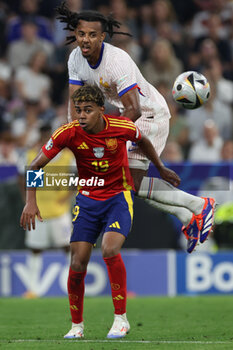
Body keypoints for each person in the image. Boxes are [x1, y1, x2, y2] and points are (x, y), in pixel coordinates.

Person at [20, 85, 180, 338]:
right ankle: (76, 327)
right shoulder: (68, 133)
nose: (81, 115)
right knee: (78, 261)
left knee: (109, 248)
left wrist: (160, 167)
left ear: (101, 111)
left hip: (118, 197)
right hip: (87, 201)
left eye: (87, 110)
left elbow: (144, 141)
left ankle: (121, 320)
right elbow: (36, 165)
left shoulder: (121, 127)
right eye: (78, 110)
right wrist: (31, 201)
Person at [56, 1, 216, 254]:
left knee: (129, 181)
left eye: (92, 35)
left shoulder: (117, 61)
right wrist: (74, 133)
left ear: (103, 36)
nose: (85, 40)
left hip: (150, 114)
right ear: (75, 34)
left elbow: (134, 109)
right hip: (126, 115)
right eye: (81, 34)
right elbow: (74, 103)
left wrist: (102, 137)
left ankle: (199, 206)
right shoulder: (75, 58)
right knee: (130, 184)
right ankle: (191, 214)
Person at [21, 124, 74, 298]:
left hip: (59, 212)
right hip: (38, 212)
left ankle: (72, 287)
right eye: (43, 136)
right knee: (36, 249)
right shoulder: (33, 157)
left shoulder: (66, 157)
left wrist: (66, 198)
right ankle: (33, 289)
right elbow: (22, 179)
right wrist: (28, 201)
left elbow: (77, 178)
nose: (45, 140)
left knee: (67, 248)